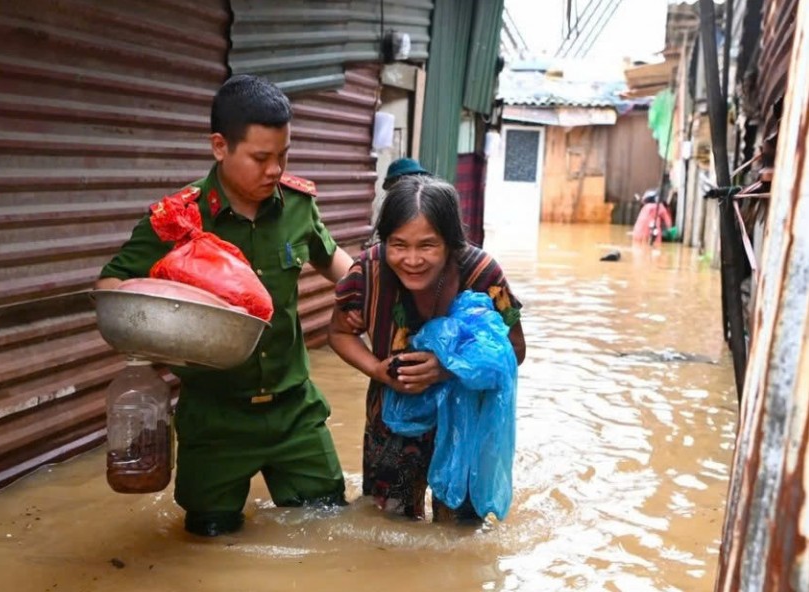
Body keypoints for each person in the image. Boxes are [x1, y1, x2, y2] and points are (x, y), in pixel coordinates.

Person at [95, 75, 352, 537]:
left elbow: (333, 260)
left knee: (327, 525)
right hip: (214, 416)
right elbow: (113, 284)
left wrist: (375, 294)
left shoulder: (296, 205)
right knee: (208, 541)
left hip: (294, 410)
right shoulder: (177, 218)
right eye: (260, 158)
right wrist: (159, 335)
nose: (275, 169)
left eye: (284, 155)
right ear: (219, 146)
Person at [328, 175, 526, 521]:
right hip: (393, 422)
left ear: (451, 243)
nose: (412, 259)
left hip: (466, 425)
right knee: (390, 530)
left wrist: (448, 368)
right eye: (398, 244)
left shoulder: (483, 275)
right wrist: (377, 370)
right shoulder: (369, 272)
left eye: (428, 245)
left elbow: (515, 349)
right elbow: (339, 333)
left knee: (460, 534)